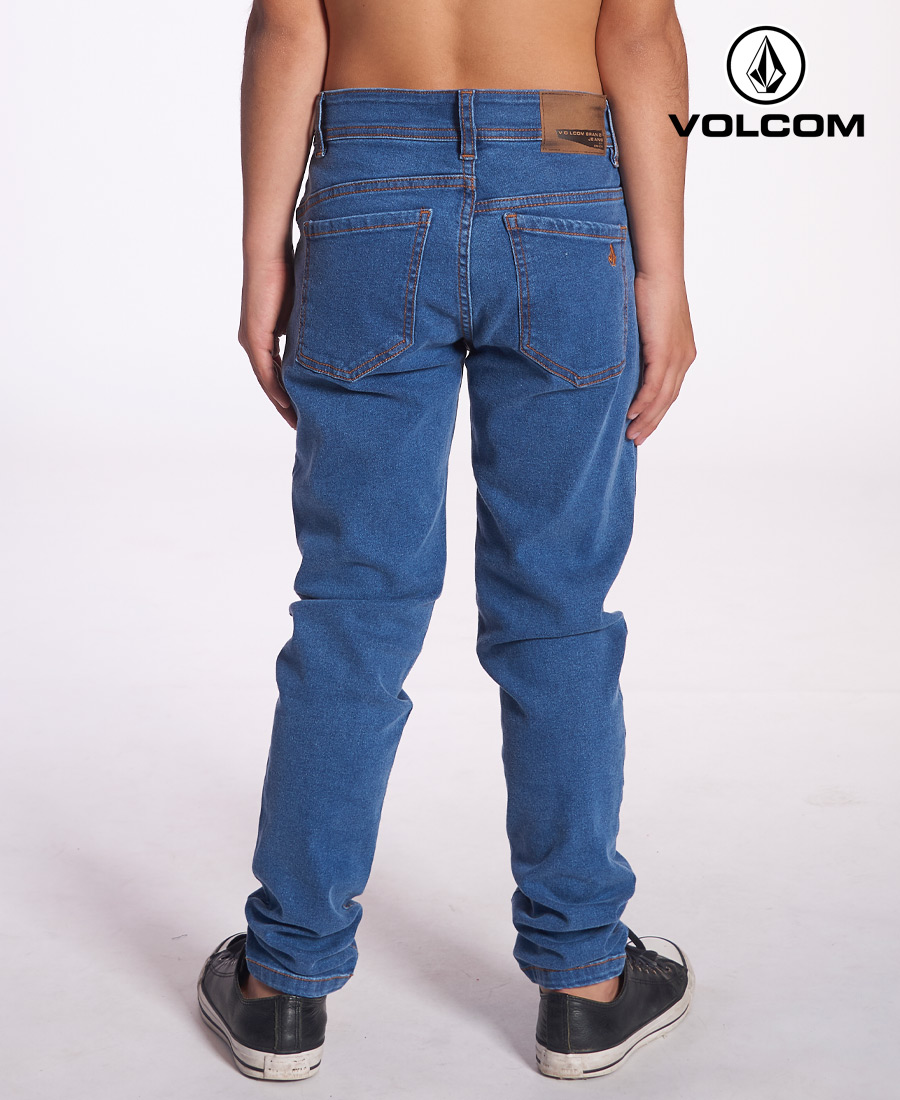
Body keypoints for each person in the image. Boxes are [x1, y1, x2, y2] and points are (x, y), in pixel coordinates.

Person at [198, 0, 697, 1081]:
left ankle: (283, 983)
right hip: (564, 172)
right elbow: (640, 33)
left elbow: (288, 25)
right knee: (558, 604)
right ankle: (586, 981)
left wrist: (262, 251)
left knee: (354, 604)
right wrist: (662, 271)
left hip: (367, 183)